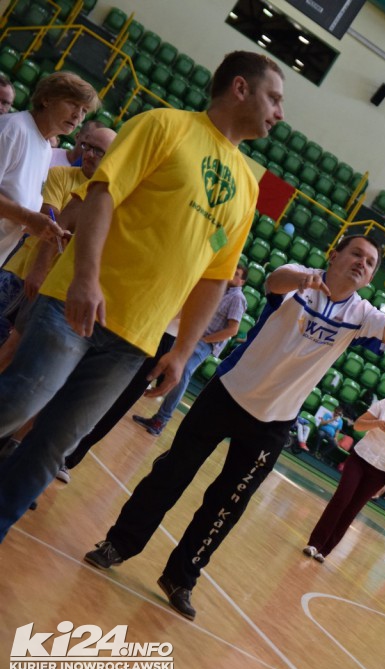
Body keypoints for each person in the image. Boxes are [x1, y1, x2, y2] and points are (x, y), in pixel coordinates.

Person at [0, 52, 286, 541]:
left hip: (135, 339)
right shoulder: (164, 125)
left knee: (53, 446)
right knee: (16, 404)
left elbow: (214, 275)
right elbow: (102, 194)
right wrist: (85, 278)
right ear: (240, 88)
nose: (279, 113)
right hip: (74, 306)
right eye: (274, 98)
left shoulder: (247, 186)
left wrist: (182, 351)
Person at [84, 235, 385, 620]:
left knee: (227, 504)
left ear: (370, 277)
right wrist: (303, 281)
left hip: (275, 421)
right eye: (356, 254)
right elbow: (274, 280)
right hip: (228, 392)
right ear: (334, 255)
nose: (362, 263)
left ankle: (180, 577)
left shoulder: (362, 313)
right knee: (171, 472)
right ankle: (119, 544)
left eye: (370, 262)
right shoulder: (300, 277)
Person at [0, 125, 116, 372]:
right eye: (87, 146)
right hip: (24, 270)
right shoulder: (61, 174)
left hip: (59, 287)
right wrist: (41, 267)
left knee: (15, 354)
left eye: (98, 151)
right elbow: (51, 221)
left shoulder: (111, 197)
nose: (89, 154)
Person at [304, 372, 385, 562]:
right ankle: (315, 543)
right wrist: (378, 423)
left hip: (380, 471)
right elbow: (358, 425)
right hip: (360, 458)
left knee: (352, 509)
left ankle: (325, 550)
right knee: (341, 499)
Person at [130, 264, 248, 437]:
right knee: (168, 363)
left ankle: (161, 420)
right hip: (192, 336)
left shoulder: (237, 297)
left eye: (237, 274)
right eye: (233, 271)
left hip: (204, 342)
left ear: (242, 282)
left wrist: (205, 340)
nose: (232, 275)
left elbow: (233, 330)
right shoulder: (221, 290)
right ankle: (148, 405)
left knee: (182, 373)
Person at [0, 71, 91, 265]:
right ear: (47, 99)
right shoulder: (13, 129)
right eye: (73, 103)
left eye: (84, 110)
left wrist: (47, 231)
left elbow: (15, 213)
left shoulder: (46, 148)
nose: (78, 115)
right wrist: (28, 218)